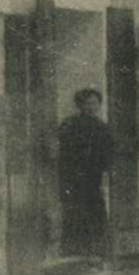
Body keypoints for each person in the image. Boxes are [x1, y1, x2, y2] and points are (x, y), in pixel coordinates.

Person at [55, 87, 115, 257]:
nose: (92, 107)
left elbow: (107, 154)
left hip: (92, 179)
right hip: (73, 179)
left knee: (95, 213)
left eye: (95, 103)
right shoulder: (69, 125)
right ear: (80, 105)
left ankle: (96, 252)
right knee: (74, 214)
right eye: (87, 103)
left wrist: (104, 172)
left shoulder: (102, 128)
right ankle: (73, 252)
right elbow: (64, 153)